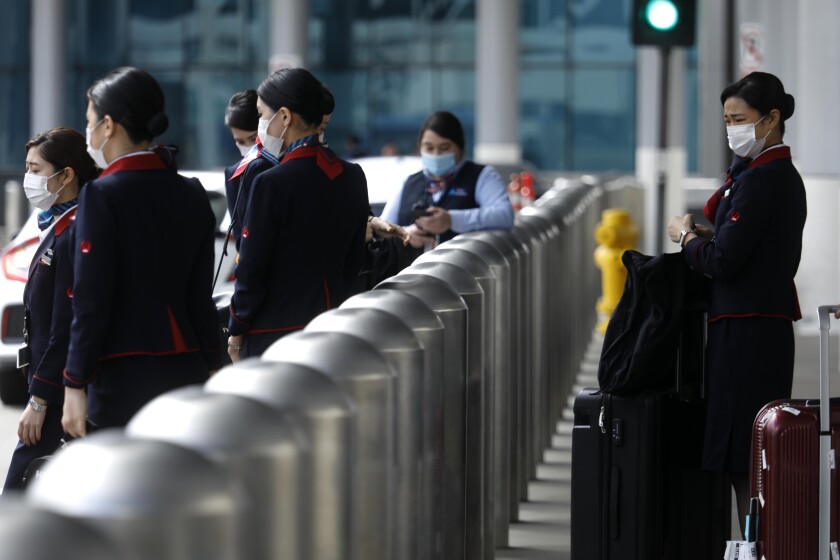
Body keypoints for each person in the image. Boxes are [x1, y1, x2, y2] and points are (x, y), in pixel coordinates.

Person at [666, 71, 806, 533]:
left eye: (740, 119)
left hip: (748, 329)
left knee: (743, 451)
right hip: (755, 324)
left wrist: (687, 238)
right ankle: (753, 542)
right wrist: (713, 234)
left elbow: (724, 261)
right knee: (746, 449)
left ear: (771, 119)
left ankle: (753, 544)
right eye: (727, 119)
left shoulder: (763, 179)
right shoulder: (765, 174)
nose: (732, 129)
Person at [61, 67, 222, 437]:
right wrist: (213, 364)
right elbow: (200, 296)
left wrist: (74, 380)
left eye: (89, 122)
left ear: (108, 125)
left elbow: (91, 299)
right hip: (187, 368)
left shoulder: (101, 194)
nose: (87, 131)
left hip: (122, 374)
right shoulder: (192, 192)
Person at [226, 68, 370, 360]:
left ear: (285, 116)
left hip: (276, 337)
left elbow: (251, 271)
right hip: (335, 330)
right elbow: (354, 261)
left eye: (261, 114)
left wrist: (236, 332)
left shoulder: (270, 182)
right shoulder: (353, 175)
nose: (260, 125)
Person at [2, 128, 98, 491]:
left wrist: (40, 399)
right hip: (51, 382)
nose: (29, 179)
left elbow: (67, 323)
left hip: (60, 388)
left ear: (67, 175)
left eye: (35, 169)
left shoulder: (75, 229)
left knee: (19, 493)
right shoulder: (55, 224)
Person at [380, 111, 514, 253]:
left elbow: (504, 216)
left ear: (460, 149)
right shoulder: (409, 182)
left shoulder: (482, 176)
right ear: (420, 147)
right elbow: (382, 228)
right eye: (429, 147)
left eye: (444, 148)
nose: (436, 154)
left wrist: (451, 220)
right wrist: (405, 233)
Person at [223, 90, 259, 248]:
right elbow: (240, 241)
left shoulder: (285, 165)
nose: (248, 147)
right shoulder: (234, 175)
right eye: (240, 141)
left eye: (253, 138)